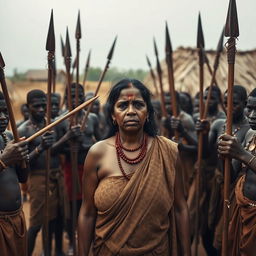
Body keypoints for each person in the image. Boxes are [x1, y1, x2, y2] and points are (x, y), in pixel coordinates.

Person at [78, 79, 191, 256]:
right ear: (113, 115)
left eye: (138, 104)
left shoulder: (168, 152)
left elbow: (180, 208)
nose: (131, 111)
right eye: (123, 105)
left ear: (148, 113)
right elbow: (87, 213)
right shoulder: (97, 153)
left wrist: (187, 252)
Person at [18, 89, 78, 256]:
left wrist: (73, 137)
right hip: (38, 179)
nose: (41, 109)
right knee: (37, 223)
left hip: (56, 174)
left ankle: (57, 251)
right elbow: (22, 163)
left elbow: (59, 148)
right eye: (36, 106)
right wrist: (39, 148)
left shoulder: (53, 124)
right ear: (28, 107)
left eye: (44, 105)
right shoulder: (24, 131)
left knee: (58, 218)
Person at [196, 85, 250, 254]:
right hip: (215, 185)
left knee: (225, 232)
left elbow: (232, 175)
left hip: (232, 191)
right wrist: (203, 135)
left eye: (234, 103)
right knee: (208, 226)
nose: (229, 107)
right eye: (225, 103)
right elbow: (204, 153)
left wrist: (225, 155)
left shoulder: (248, 130)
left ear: (245, 104)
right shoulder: (219, 124)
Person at [217, 88, 256, 255]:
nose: (252, 115)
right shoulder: (250, 135)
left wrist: (241, 154)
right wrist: (224, 156)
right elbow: (231, 176)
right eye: (250, 107)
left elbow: (244, 157)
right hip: (242, 208)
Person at [0, 92, 29, 256]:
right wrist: (4, 159)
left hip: (17, 218)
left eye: (5, 111)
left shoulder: (8, 137)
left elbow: (23, 178)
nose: (3, 117)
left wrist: (24, 157)